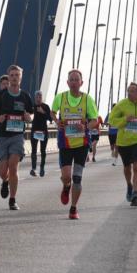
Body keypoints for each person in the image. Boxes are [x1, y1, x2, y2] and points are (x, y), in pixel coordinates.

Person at [50, 69, 100, 220]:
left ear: (81, 83)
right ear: (67, 82)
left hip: (82, 143)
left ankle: (74, 208)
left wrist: (86, 127)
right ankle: (66, 186)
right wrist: (57, 121)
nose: (73, 82)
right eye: (71, 79)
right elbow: (52, 112)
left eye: (76, 80)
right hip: (65, 142)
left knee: (77, 177)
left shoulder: (87, 100)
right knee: (66, 176)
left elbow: (95, 120)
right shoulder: (61, 97)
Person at [0, 65, 34, 210]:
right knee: (3, 172)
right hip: (2, 136)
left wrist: (28, 118)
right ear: (9, 76)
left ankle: (12, 200)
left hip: (17, 136)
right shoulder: (1, 95)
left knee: (13, 167)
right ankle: (5, 181)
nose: (14, 77)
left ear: (20, 77)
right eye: (12, 75)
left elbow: (31, 113)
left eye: (16, 75)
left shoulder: (25, 96)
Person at [108, 82, 137, 207]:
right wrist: (124, 120)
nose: (129, 93)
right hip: (124, 141)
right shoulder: (121, 104)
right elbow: (112, 120)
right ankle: (129, 185)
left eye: (132, 91)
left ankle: (135, 194)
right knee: (127, 168)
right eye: (128, 90)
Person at [30, 91, 53, 177]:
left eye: (40, 97)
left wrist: (43, 112)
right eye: (37, 97)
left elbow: (50, 119)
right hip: (35, 131)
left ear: (42, 98)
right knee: (34, 150)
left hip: (43, 131)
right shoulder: (32, 106)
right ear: (35, 98)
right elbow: (28, 115)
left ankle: (42, 168)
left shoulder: (45, 106)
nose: (38, 98)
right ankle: (33, 168)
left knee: (43, 151)